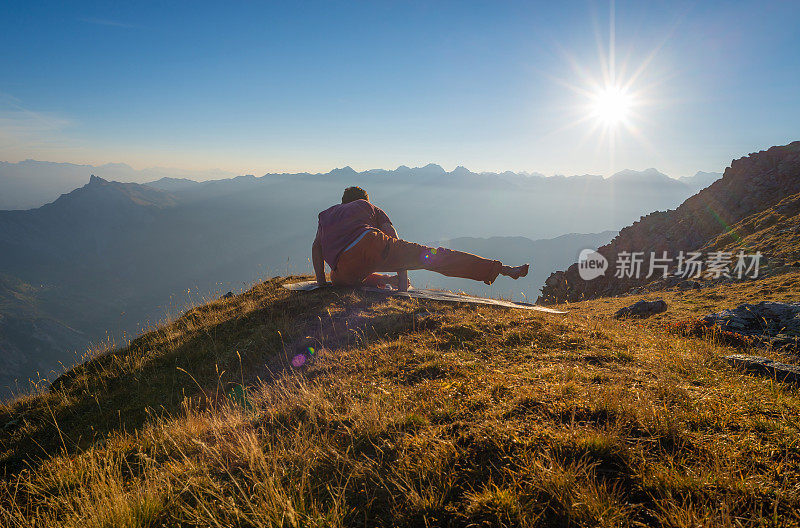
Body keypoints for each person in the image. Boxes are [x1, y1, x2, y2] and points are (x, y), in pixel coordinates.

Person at [312, 186, 529, 291]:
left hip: (344, 261)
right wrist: (403, 284)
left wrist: (321, 283)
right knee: (440, 258)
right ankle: (501, 269)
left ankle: (387, 280)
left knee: (338, 279)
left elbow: (316, 247)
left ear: (342, 201)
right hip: (373, 242)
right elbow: (393, 236)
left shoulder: (326, 215)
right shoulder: (368, 205)